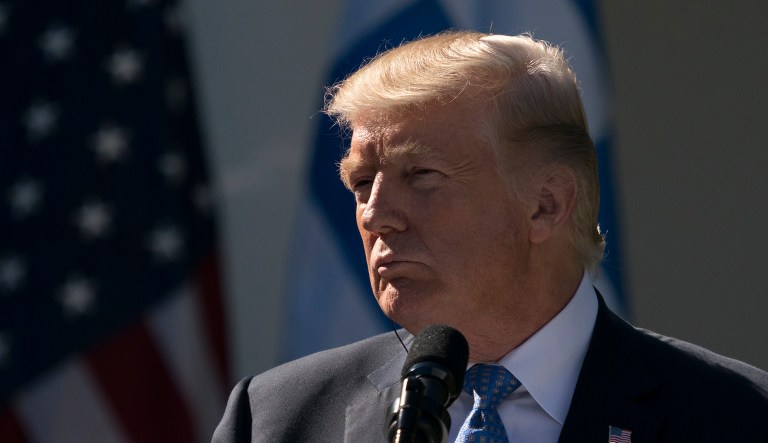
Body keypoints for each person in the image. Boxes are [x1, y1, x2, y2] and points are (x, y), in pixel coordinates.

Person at [212, 31, 768, 442]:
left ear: (545, 204)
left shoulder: (738, 418)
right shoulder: (274, 419)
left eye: (421, 175)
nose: (375, 215)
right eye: (361, 183)